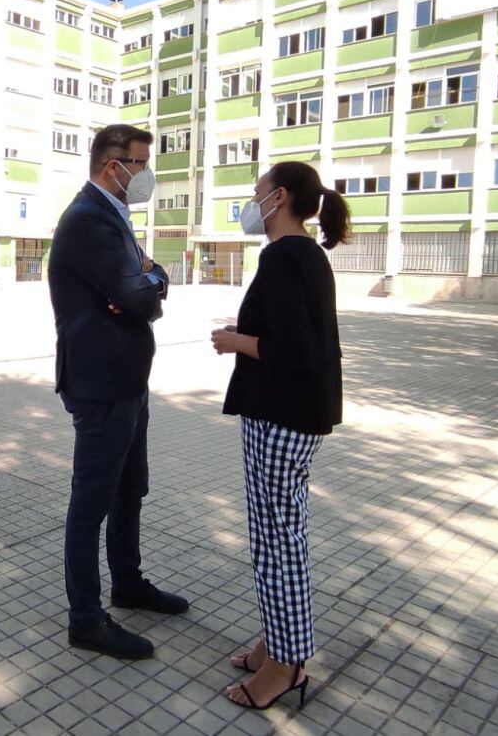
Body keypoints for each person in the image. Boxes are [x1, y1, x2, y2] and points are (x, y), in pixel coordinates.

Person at [210, 161, 349, 710]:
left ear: (280, 197)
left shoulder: (285, 255)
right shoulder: (306, 255)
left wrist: (233, 341)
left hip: (282, 415)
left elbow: (296, 351)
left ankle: (288, 666)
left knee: (276, 542)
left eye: (257, 193)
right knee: (277, 535)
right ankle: (278, 641)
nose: (252, 203)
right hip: (291, 413)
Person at [47, 124, 189, 660]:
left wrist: (150, 279)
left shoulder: (113, 216)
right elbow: (138, 296)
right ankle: (85, 619)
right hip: (101, 384)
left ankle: (127, 584)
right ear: (114, 166)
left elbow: (148, 283)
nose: (146, 174)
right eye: (141, 163)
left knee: (130, 489)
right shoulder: (88, 219)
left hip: (127, 381)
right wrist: (145, 285)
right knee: (91, 504)